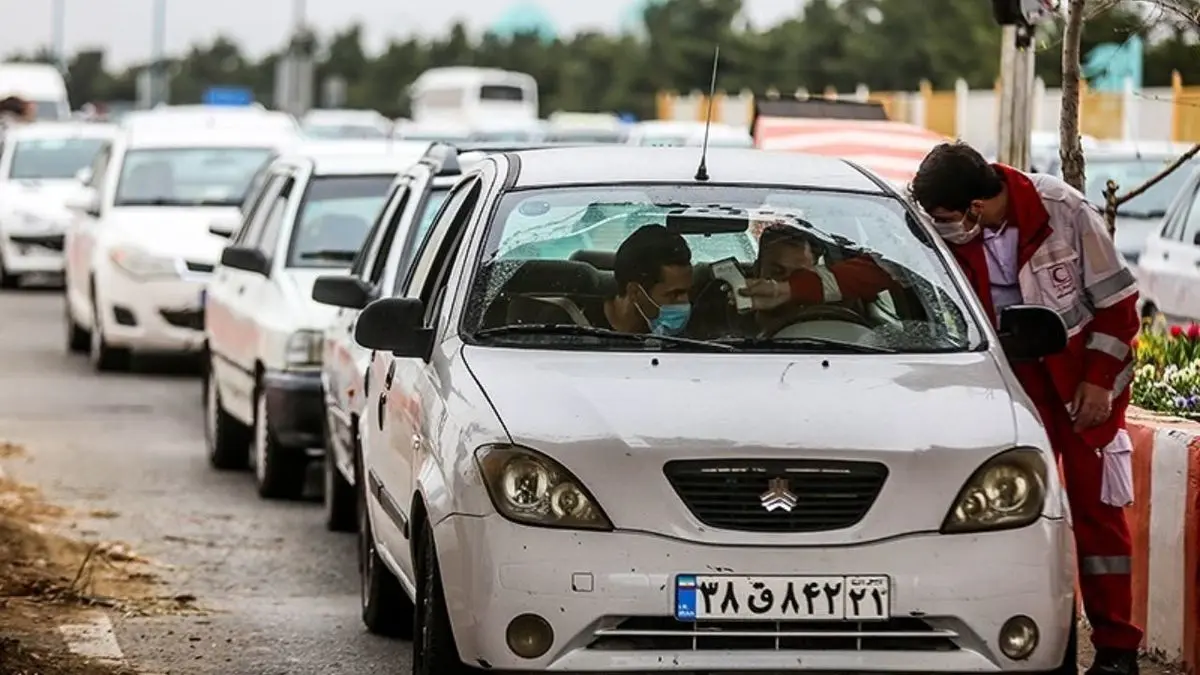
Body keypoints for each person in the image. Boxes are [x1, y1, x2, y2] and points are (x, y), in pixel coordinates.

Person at [907, 142, 1142, 675]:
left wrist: (1099, 384)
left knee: (1098, 515)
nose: (939, 229)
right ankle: (1036, 639)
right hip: (1004, 386)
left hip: (1083, 384)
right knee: (1013, 517)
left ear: (974, 207)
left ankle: (1117, 648)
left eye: (946, 219)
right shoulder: (937, 219)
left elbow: (1121, 309)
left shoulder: (1065, 212)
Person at [581, 223, 693, 335]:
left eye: (687, 292)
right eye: (674, 294)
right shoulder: (575, 328)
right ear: (635, 292)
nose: (685, 302)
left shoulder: (693, 340)